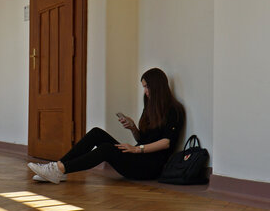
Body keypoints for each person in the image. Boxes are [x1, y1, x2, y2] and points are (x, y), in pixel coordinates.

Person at [28, 67, 184, 184]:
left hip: (149, 167)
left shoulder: (174, 110)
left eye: (147, 87)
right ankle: (59, 168)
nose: (145, 91)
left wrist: (136, 149)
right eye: (144, 87)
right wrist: (133, 128)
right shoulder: (150, 107)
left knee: (106, 149)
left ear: (157, 86)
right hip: (138, 156)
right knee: (97, 133)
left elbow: (166, 142)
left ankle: (58, 169)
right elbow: (144, 138)